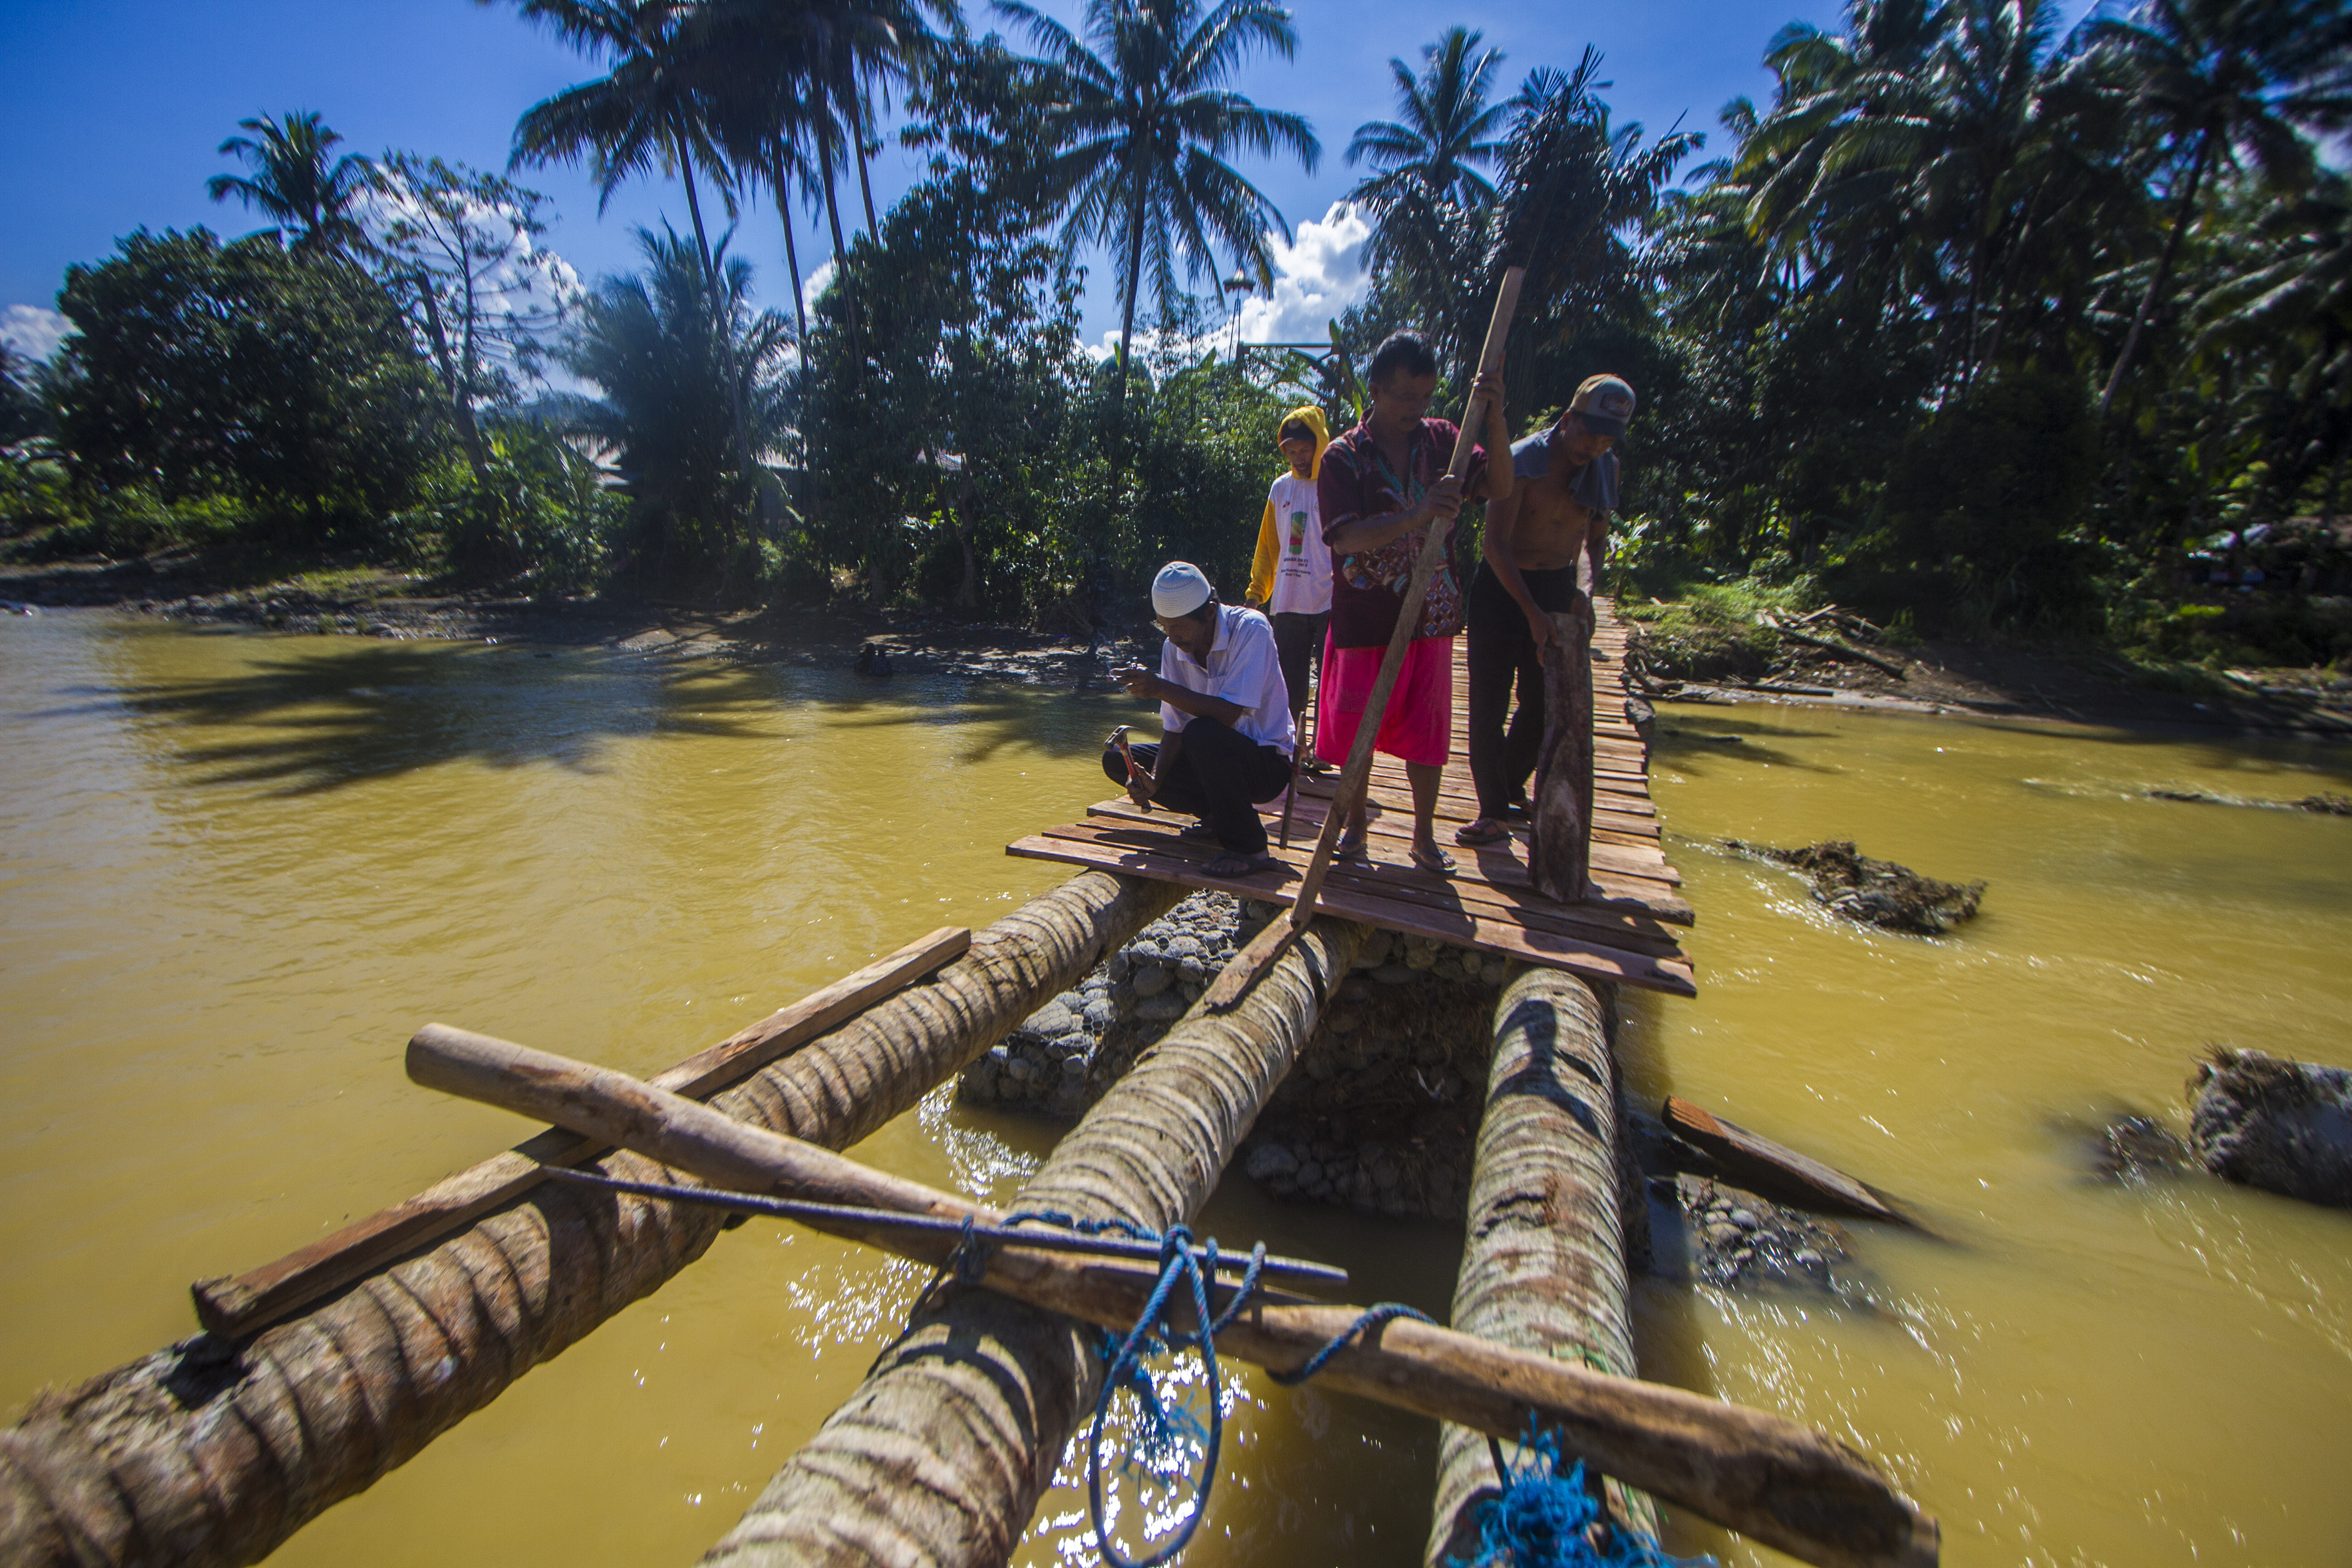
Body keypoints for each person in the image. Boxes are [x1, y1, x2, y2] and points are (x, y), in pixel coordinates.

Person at [1316, 331, 1512, 873]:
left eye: (1425, 397)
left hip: (1432, 616)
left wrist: (1493, 417)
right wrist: (1417, 515)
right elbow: (1345, 537)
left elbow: (1497, 485)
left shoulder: (1447, 439)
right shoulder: (1342, 458)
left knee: (1428, 733)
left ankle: (1423, 836)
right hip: (1364, 620)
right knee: (1358, 730)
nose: (1416, 409)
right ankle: (1356, 825)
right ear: (1375, 391)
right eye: (1404, 397)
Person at [1458, 373, 1636, 845]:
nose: (1594, 445)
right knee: (1487, 705)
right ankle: (1493, 810)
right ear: (1568, 419)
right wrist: (1533, 614)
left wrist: (1585, 589)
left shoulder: (1604, 470)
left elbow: (1593, 542)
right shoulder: (1521, 461)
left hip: (1556, 587)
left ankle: (1512, 782)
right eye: (1588, 432)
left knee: (1543, 702)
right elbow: (1495, 546)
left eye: (1606, 438)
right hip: (1502, 588)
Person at [1102, 561, 1297, 880]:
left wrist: (1160, 687)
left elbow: (1229, 714)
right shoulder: (1173, 647)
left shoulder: (1251, 629)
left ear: (1209, 612)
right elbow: (1175, 728)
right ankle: (1216, 818)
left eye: (1178, 627)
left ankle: (1250, 848)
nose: (1172, 636)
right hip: (1212, 759)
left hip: (1267, 765)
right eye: (1165, 626)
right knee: (1116, 760)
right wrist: (1154, 780)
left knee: (1203, 732)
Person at [1245, 404, 1334, 770]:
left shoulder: (1335, 484)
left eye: (1305, 449)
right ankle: (1294, 750)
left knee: (1330, 681)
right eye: (1292, 451)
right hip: (1288, 603)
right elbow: (1268, 547)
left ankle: (1325, 750)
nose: (1299, 458)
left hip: (1331, 599)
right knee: (1290, 683)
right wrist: (1256, 594)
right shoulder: (1280, 489)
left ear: (1320, 444)